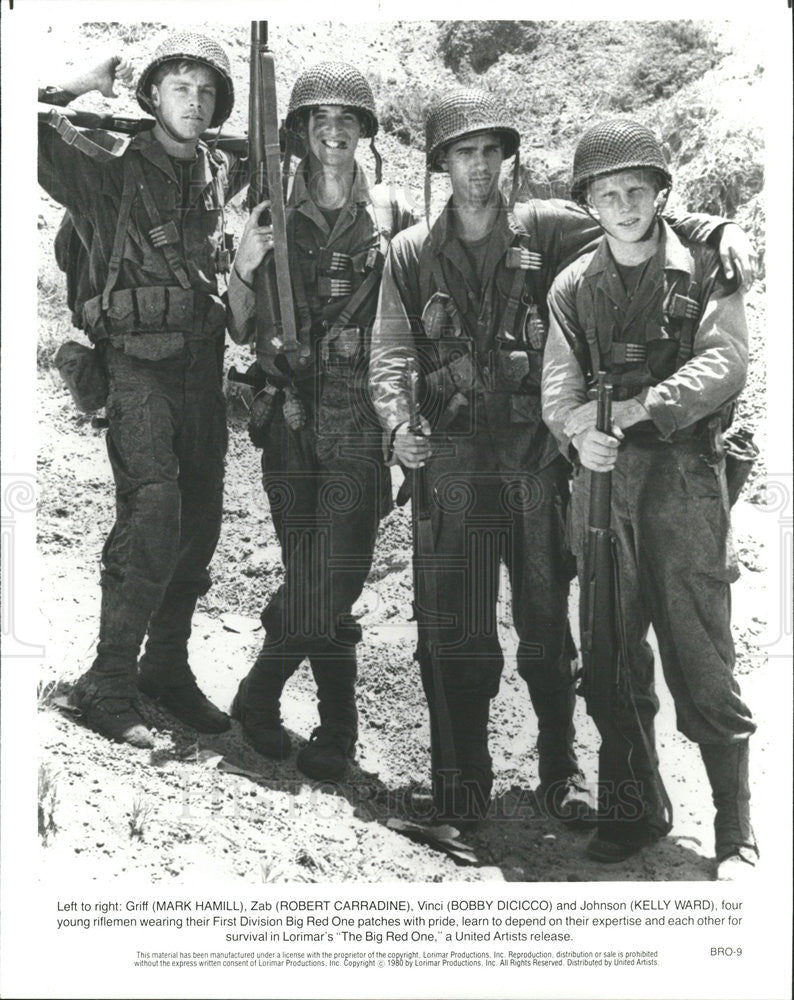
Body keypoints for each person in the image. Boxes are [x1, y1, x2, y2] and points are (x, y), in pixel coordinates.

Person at [369, 88, 756, 828]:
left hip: (536, 466)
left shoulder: (546, 225)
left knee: (549, 632)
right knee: (461, 630)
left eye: (491, 151)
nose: (480, 167)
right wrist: (397, 426)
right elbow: (390, 351)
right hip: (452, 468)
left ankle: (561, 768)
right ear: (442, 163)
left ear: (508, 159)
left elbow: (634, 218)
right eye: (464, 152)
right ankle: (466, 781)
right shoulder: (412, 252)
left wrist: (718, 226)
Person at [542, 118, 758, 879]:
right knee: (606, 651)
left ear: (662, 193)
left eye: (638, 189)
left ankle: (735, 832)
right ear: (590, 204)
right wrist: (577, 432)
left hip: (682, 480)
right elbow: (559, 384)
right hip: (602, 491)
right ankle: (633, 810)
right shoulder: (574, 285)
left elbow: (724, 363)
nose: (626, 203)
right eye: (609, 193)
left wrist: (638, 410)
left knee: (701, 651)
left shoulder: (705, 265)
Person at [39, 33, 247, 748]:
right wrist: (75, 85)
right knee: (153, 509)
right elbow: (23, 125)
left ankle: (165, 669)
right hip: (133, 365)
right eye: (180, 86)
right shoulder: (107, 170)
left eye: (207, 90)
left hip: (200, 364)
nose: (196, 100)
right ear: (152, 96)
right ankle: (108, 682)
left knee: (201, 524)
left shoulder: (222, 174)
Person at [226, 62, 416, 782]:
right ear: (300, 132)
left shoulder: (395, 216)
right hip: (291, 418)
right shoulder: (270, 211)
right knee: (315, 572)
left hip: (363, 418)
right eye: (319, 120)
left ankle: (258, 692)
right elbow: (242, 330)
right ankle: (337, 728)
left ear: (364, 133)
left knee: (334, 575)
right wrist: (246, 267)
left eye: (347, 120)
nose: (333, 133)